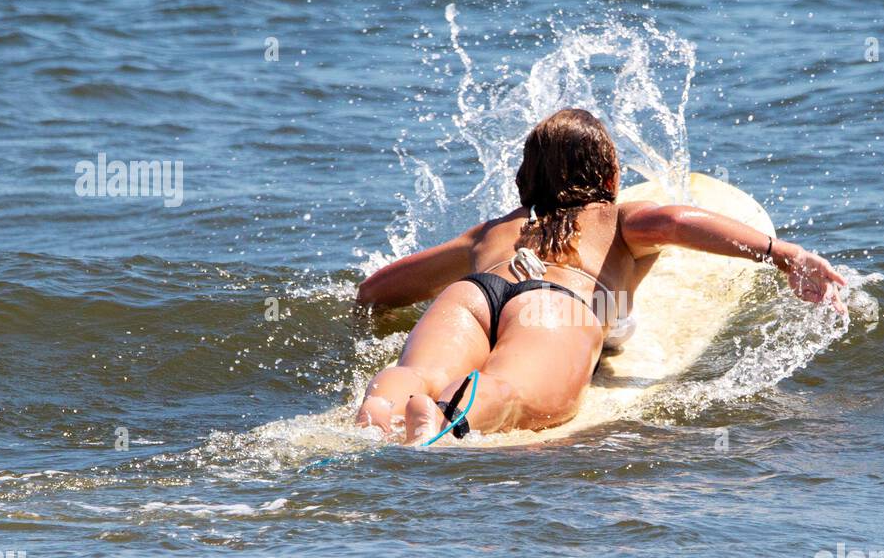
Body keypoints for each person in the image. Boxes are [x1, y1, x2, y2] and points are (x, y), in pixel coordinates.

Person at [354, 107, 845, 443]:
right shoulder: (619, 220)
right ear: (610, 179)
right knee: (509, 390)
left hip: (471, 294)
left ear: (525, 180)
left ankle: (385, 408)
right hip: (553, 305)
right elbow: (677, 221)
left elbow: (375, 290)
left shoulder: (490, 232)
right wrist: (783, 254)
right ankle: (448, 419)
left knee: (418, 373)